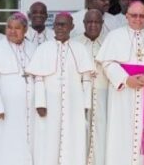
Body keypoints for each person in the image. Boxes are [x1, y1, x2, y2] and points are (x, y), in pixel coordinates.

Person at [97, 1, 144, 165]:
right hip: (122, 94)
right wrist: (125, 79)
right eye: (134, 15)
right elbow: (107, 63)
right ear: (126, 16)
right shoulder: (114, 36)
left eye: (142, 16)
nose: (138, 19)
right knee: (121, 134)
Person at [26, 12, 95, 165]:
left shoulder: (80, 49)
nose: (60, 28)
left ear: (72, 27)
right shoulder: (43, 49)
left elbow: (87, 79)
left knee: (73, 140)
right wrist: (40, 103)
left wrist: (85, 105)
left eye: (64, 25)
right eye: (57, 24)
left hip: (74, 104)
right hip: (49, 104)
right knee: (48, 141)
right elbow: (38, 78)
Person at [0, 12, 37, 165]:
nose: (12, 31)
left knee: (29, 142)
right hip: (6, 110)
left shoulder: (34, 48)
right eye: (9, 28)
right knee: (6, 144)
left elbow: (39, 78)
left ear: (25, 30)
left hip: (30, 109)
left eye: (17, 28)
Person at [78, 9, 107, 165]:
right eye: (89, 22)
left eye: (97, 22)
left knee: (102, 134)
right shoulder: (75, 43)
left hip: (104, 96)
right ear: (83, 24)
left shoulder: (109, 42)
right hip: (80, 96)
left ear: (102, 24)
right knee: (80, 134)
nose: (93, 25)